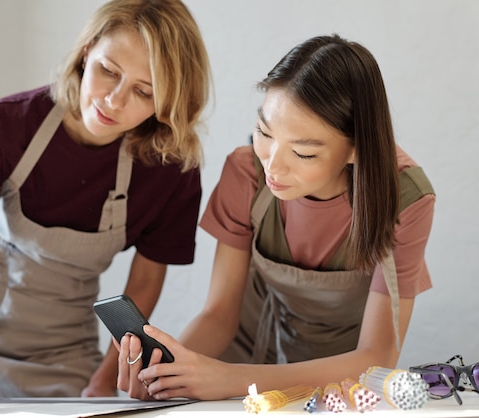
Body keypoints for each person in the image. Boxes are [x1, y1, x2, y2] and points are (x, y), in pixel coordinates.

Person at [0, 0, 211, 402]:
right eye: (108, 70)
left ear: (167, 101)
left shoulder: (170, 170)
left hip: (64, 361)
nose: (114, 100)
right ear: (87, 50)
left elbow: (145, 281)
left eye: (143, 91)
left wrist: (104, 378)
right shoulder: (4, 127)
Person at [117, 34, 435, 401]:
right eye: (265, 133)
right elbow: (219, 315)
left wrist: (228, 379)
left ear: (355, 149)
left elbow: (378, 356)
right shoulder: (246, 171)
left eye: (303, 153)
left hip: (342, 375)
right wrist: (165, 372)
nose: (273, 165)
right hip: (245, 353)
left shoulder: (405, 198)